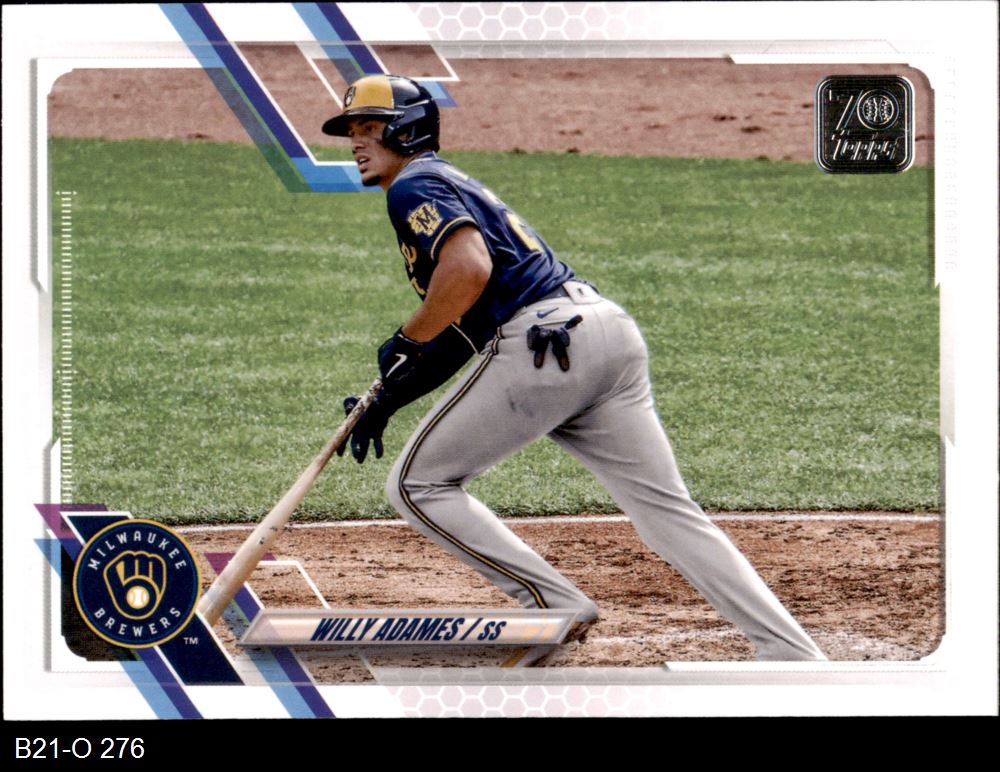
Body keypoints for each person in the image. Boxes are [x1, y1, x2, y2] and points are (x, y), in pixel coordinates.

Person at [324, 74, 826, 664]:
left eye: (370, 128)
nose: (356, 142)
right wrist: (391, 396)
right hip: (603, 335)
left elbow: (467, 270)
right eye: (352, 131)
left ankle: (552, 605)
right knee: (668, 513)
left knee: (417, 484)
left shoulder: (413, 183)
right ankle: (791, 654)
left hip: (546, 344)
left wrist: (408, 336)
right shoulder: (450, 182)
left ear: (407, 132)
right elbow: (464, 327)